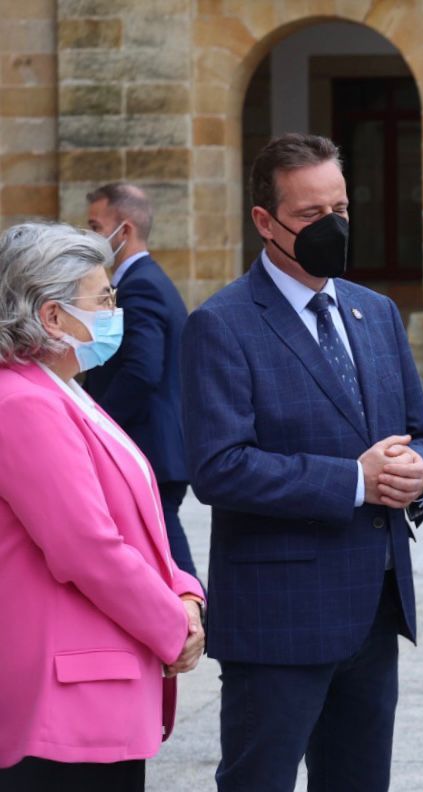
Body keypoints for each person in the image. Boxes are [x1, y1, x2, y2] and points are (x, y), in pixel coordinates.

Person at [181, 132, 423, 792]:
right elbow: (219, 466)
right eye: (309, 216)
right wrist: (354, 479)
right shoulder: (223, 323)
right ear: (265, 222)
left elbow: (420, 436)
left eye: (341, 210)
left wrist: (420, 475)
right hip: (279, 617)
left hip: (375, 609)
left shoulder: (375, 312)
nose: (331, 228)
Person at [0, 222, 205, 791]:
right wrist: (172, 625)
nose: (116, 310)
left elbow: (135, 519)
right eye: (104, 298)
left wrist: (185, 588)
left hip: (92, 685)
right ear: (52, 316)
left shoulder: (62, 390)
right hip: (63, 699)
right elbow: (85, 546)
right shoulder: (24, 403)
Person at [84, 182, 198, 580]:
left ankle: (198, 620)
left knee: (166, 551)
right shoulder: (144, 281)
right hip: (153, 445)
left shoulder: (141, 286)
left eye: (96, 227)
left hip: (149, 445)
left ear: (125, 230)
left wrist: (96, 423)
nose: (92, 237)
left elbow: (142, 370)